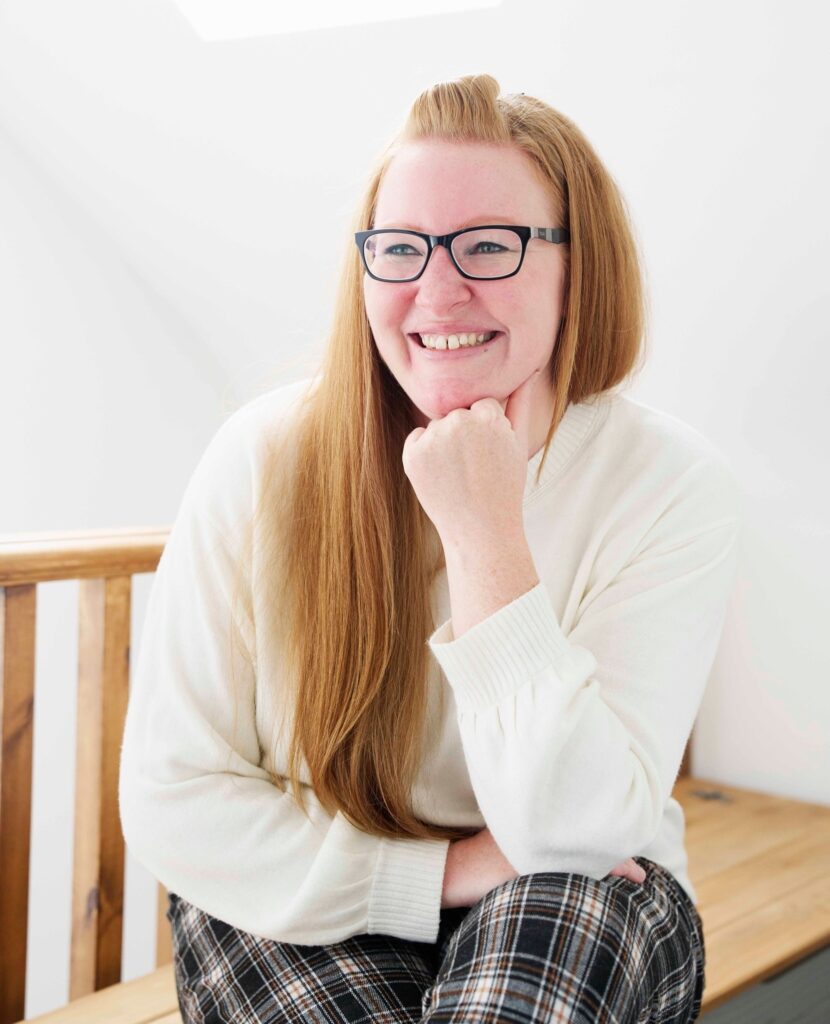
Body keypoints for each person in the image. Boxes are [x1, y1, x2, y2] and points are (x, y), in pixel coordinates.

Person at [119, 73, 740, 1022]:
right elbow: (174, 795)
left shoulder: (666, 482)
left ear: (582, 267)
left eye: (490, 245)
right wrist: (440, 872)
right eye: (401, 248)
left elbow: (576, 833)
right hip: (309, 883)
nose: (435, 289)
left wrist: (485, 530)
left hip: (573, 886)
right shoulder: (261, 457)